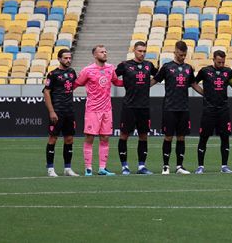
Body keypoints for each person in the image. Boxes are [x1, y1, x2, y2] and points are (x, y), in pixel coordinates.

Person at [74, 45, 121, 176]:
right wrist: (62, 95)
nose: (105, 53)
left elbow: (116, 82)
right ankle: (88, 168)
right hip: (92, 109)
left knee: (105, 138)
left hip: (107, 109)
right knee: (89, 138)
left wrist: (131, 82)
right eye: (102, 52)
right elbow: (76, 84)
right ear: (95, 55)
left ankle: (102, 168)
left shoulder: (110, 68)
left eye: (106, 51)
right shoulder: (87, 70)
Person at [116, 40, 159, 175]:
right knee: (124, 135)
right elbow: (112, 77)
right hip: (129, 105)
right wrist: (124, 84)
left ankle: (141, 166)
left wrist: (147, 85)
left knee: (143, 136)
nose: (142, 53)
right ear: (134, 51)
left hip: (144, 106)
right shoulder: (125, 65)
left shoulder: (148, 65)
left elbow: (158, 76)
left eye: (144, 51)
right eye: (140, 51)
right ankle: (124, 166)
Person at [192, 49, 232, 173]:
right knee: (204, 137)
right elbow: (193, 83)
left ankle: (224, 166)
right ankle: (200, 166)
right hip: (209, 109)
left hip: (223, 109)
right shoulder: (205, 71)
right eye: (219, 62)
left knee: (225, 138)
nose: (221, 65)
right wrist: (204, 93)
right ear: (213, 60)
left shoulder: (228, 72)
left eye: (223, 62)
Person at [154, 40, 195, 175]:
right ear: (175, 52)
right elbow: (155, 80)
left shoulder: (189, 68)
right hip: (169, 107)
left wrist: (208, 94)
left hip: (184, 107)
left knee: (181, 137)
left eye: (184, 55)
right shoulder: (166, 67)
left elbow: (194, 84)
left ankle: (179, 166)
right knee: (168, 137)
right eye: (180, 55)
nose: (182, 57)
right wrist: (139, 86)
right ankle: (165, 166)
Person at [43, 48, 79, 176]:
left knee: (69, 139)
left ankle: (67, 168)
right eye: (65, 58)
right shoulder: (53, 74)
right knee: (53, 138)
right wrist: (52, 111)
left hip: (69, 110)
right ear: (59, 59)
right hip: (57, 110)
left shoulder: (72, 73)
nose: (68, 60)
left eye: (69, 58)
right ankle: (50, 168)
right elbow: (46, 92)